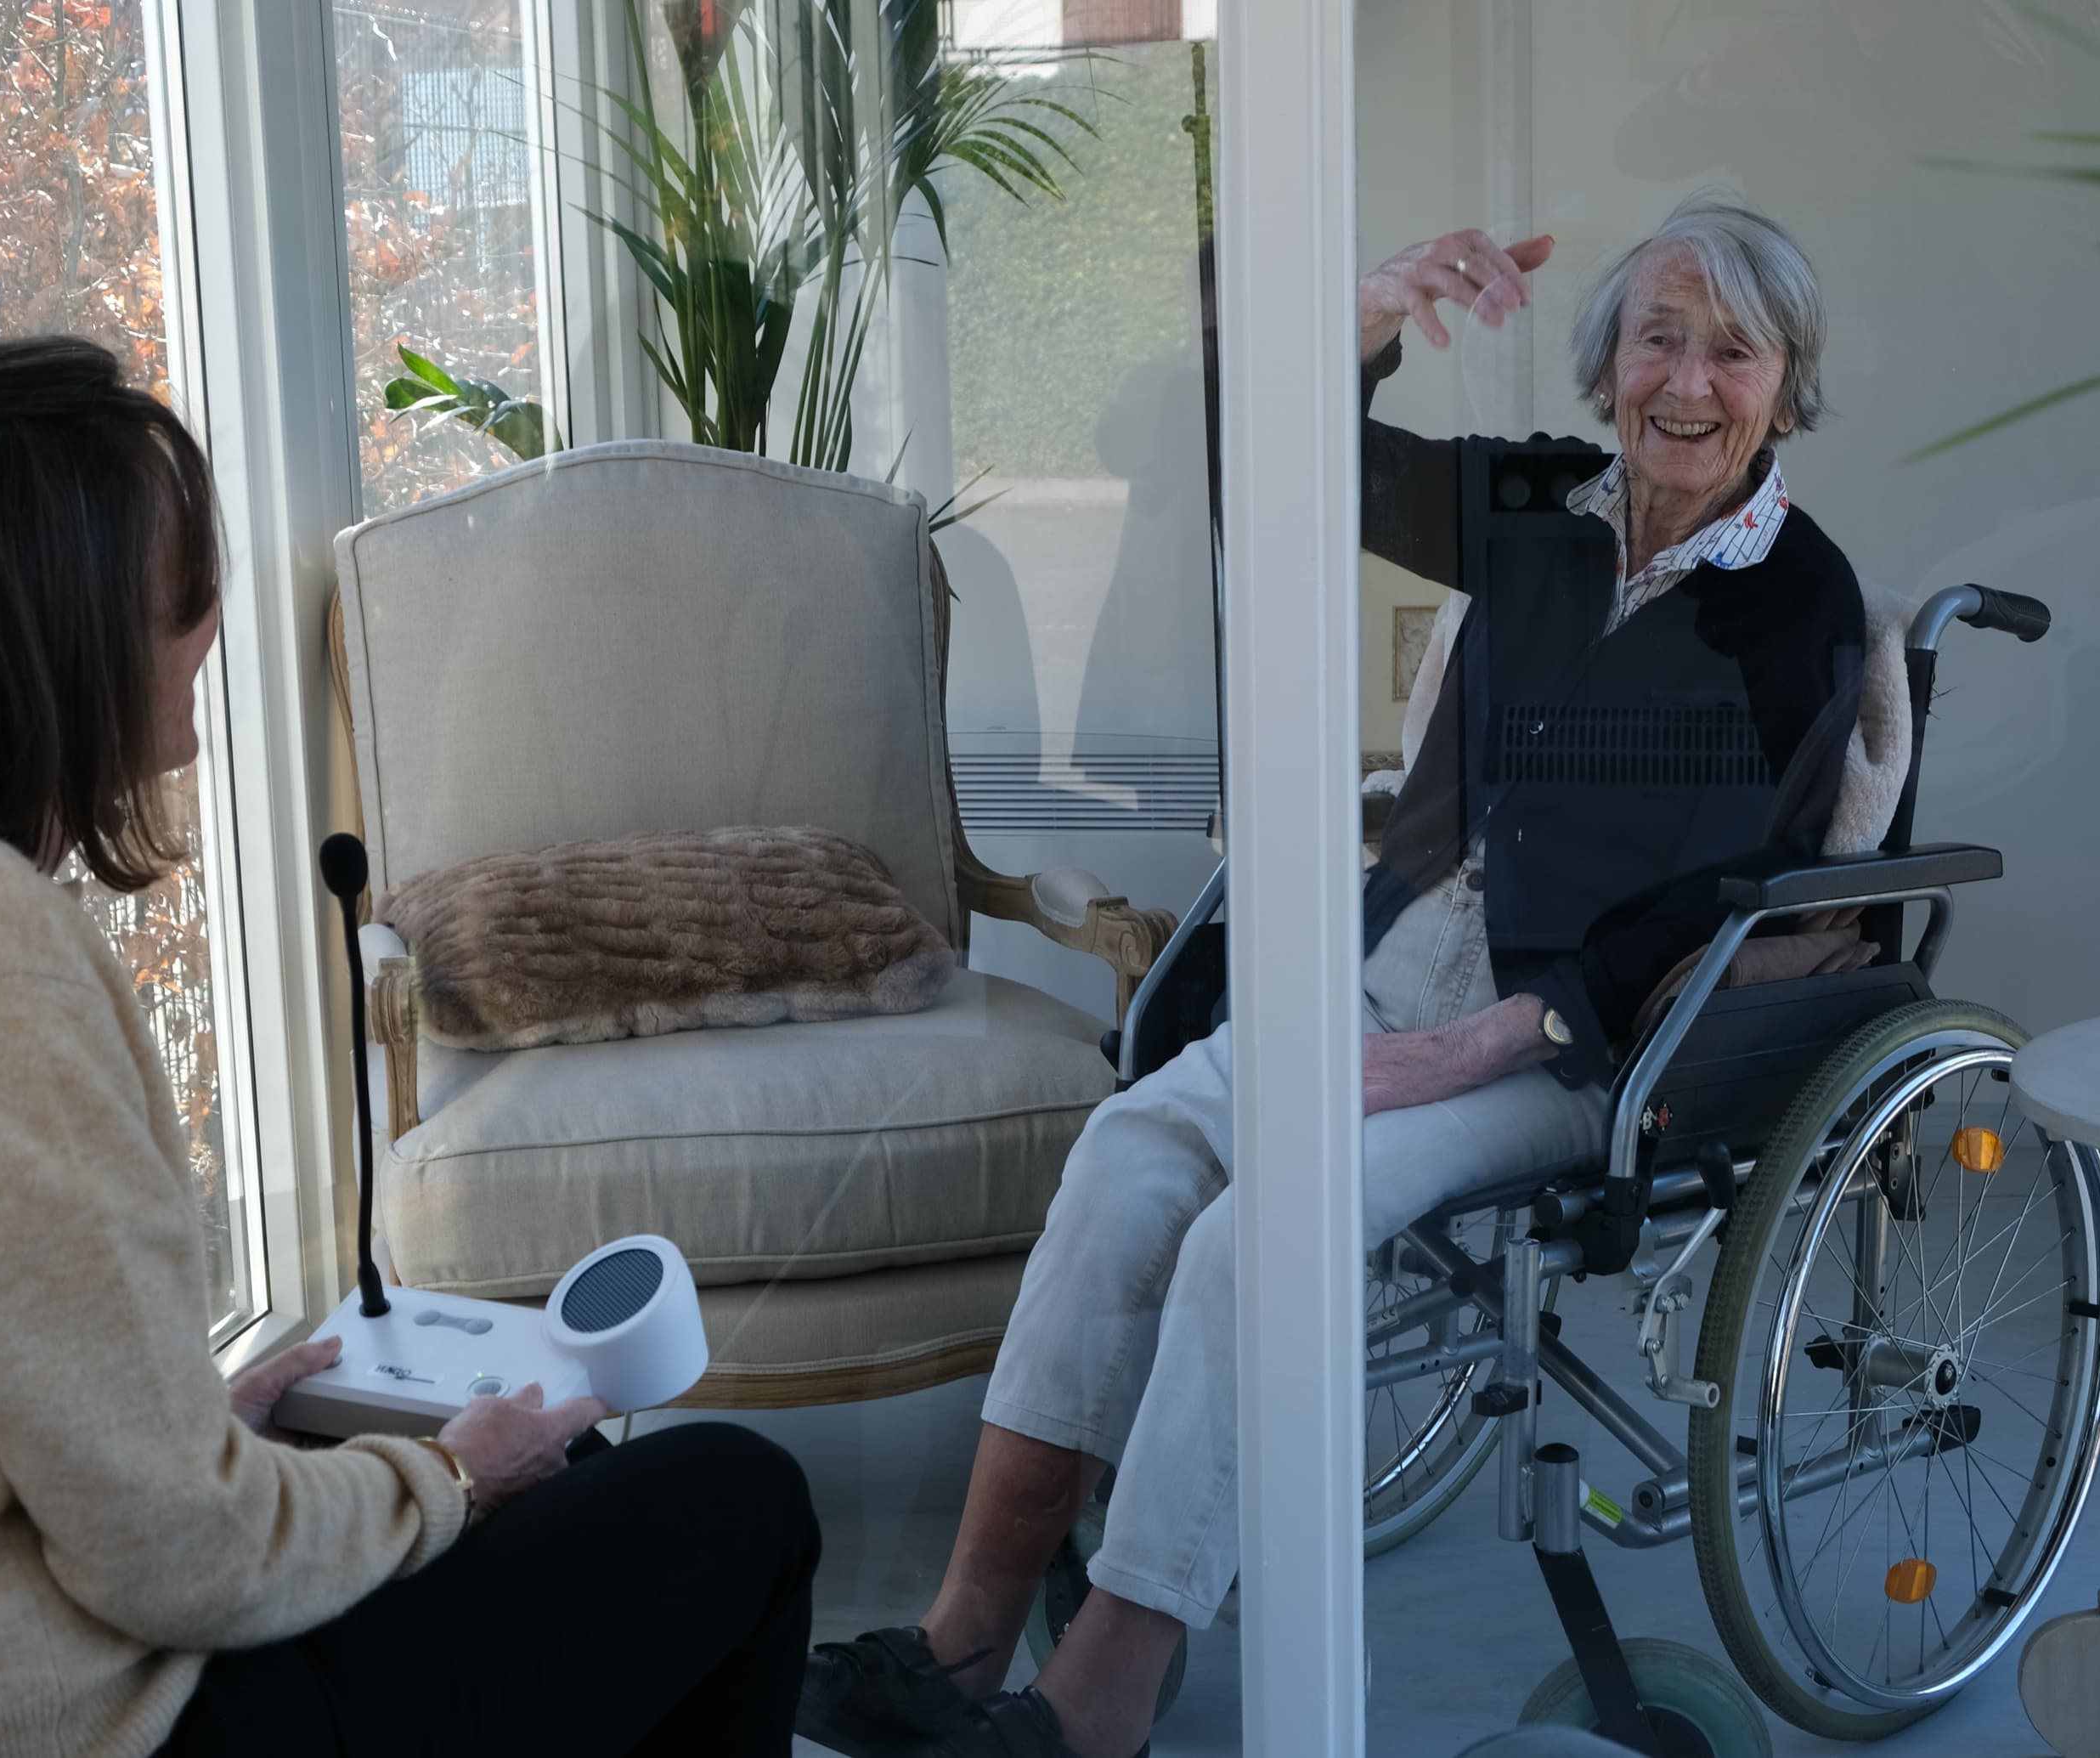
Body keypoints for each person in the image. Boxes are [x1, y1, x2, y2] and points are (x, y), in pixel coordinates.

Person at [0, 336, 820, 1758]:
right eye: (178, 589)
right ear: (63, 625)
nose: (212, 626)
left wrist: (198, 1421)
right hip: (43, 1729)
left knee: (508, 1478)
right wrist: (443, 1478)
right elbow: (179, 1560)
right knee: (733, 1495)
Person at [796, 198, 1885, 1758]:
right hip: (1391, 972)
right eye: (1660, 337)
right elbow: (1299, 470)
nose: (1691, 384)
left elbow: (1722, 897)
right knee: (1128, 1148)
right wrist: (1360, 319)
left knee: (1262, 1233)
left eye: (1734, 349)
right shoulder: (1544, 506)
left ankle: (1095, 1704)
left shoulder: (1800, 599)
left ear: (1787, 383)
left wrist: (1467, 1050)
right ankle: (966, 1637)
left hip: (1571, 1053)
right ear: (1607, 364)